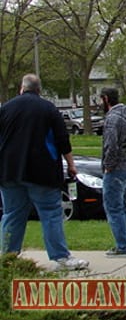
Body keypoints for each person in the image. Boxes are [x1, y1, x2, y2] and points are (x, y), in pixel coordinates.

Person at [0, 74, 89, 271]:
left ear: (21, 89)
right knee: (50, 214)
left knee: (12, 214)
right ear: (39, 90)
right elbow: (62, 140)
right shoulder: (48, 109)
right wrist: (71, 165)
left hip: (9, 171)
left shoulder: (5, 109)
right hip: (42, 172)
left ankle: (7, 257)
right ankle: (61, 257)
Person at [100, 87, 126, 257]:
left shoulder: (112, 118)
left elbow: (111, 144)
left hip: (115, 168)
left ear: (106, 99)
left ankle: (123, 245)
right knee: (122, 207)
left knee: (113, 207)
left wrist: (108, 165)